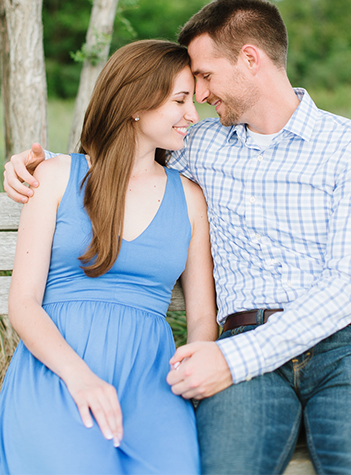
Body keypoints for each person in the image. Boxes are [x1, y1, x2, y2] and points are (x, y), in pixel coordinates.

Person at [4, 0, 351, 474]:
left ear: (249, 59)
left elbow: (345, 285)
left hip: (346, 344)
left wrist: (229, 360)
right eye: (191, 91)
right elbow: (116, 157)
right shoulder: (201, 147)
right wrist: (29, 164)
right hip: (239, 337)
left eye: (206, 78)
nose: (202, 100)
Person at [0, 40, 218, 474]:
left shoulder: (190, 197)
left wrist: (192, 370)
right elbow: (22, 304)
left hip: (152, 382)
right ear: (136, 102)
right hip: (58, 372)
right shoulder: (59, 176)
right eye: (180, 100)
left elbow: (201, 318)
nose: (193, 115)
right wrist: (80, 378)